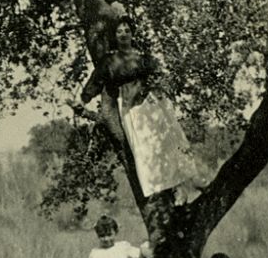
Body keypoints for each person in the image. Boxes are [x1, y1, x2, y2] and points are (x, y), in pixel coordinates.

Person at [80, 12, 203, 200]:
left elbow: (160, 75)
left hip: (149, 104)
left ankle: (184, 185)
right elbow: (96, 81)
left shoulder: (142, 58)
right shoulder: (109, 61)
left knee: (167, 142)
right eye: (119, 32)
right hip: (131, 108)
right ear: (115, 36)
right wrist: (84, 99)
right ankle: (167, 189)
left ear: (132, 34)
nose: (123, 34)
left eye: (127, 31)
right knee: (145, 149)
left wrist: (161, 90)